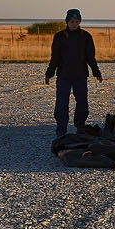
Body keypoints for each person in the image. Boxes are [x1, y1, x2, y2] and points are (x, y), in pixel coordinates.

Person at [45, 9, 102, 138]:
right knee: (61, 103)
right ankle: (61, 130)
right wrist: (49, 74)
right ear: (67, 22)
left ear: (79, 22)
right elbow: (55, 57)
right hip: (63, 76)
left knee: (82, 102)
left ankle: (80, 127)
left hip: (80, 75)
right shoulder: (59, 36)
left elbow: (90, 57)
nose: (74, 24)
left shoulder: (86, 36)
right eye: (72, 21)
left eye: (76, 21)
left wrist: (96, 72)